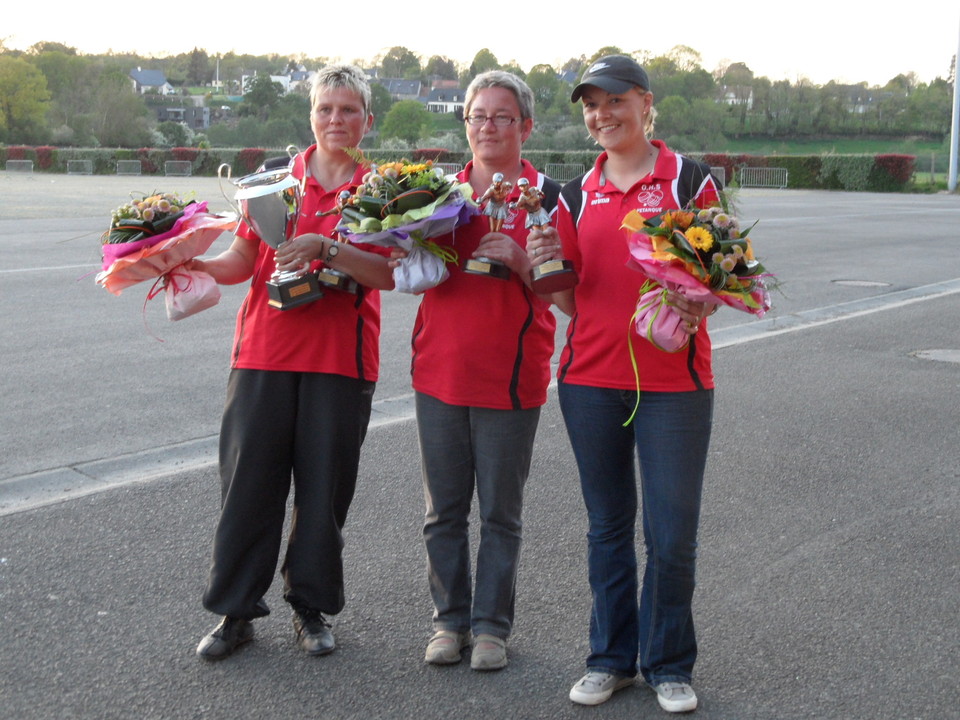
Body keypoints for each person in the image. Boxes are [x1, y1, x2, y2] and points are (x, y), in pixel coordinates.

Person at [526, 55, 722, 713]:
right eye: (591, 105)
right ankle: (611, 659)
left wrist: (703, 300)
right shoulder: (575, 193)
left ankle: (668, 662)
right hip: (589, 381)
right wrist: (533, 266)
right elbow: (569, 298)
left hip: (676, 385)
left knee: (670, 534)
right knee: (608, 529)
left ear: (644, 103)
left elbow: (724, 273)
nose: (602, 115)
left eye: (614, 101)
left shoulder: (689, 180)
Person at [190, 64, 394, 661]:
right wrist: (178, 259)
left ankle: (310, 607)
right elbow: (236, 262)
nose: (337, 120)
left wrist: (331, 249)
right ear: (311, 116)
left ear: (367, 120)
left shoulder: (384, 190)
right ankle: (235, 610)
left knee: (324, 492)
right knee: (248, 487)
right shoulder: (269, 184)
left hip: (341, 360)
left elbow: (390, 274)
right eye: (326, 109)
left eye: (349, 110)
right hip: (263, 354)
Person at [396, 70, 559, 671]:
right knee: (442, 511)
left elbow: (565, 293)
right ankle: (448, 621)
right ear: (464, 123)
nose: (488, 127)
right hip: (439, 371)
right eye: (477, 116)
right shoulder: (439, 196)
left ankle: (490, 627)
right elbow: (406, 269)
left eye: (502, 117)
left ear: (526, 126)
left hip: (512, 377)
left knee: (499, 513)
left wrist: (519, 261)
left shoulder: (550, 198)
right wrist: (403, 243)